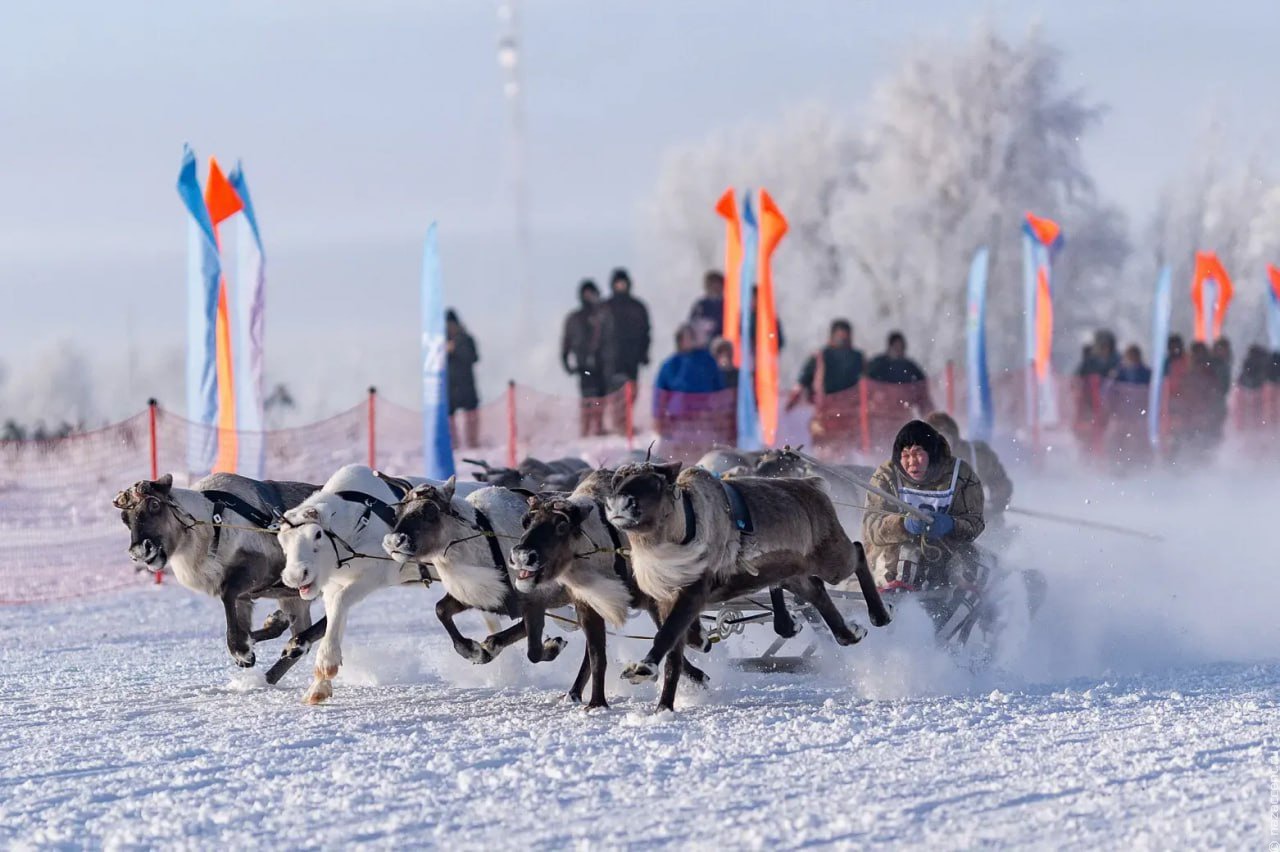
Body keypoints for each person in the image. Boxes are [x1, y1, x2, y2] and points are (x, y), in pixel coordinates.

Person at [862, 420, 985, 592]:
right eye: (905, 455)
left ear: (932, 453)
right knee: (909, 556)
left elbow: (975, 523)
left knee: (977, 564)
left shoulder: (961, 475)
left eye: (918, 453)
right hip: (894, 558)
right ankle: (895, 601)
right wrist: (903, 524)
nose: (912, 462)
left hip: (946, 552)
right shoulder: (886, 476)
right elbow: (870, 528)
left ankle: (968, 600)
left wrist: (950, 525)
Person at [923, 411, 1012, 517]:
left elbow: (999, 480)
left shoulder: (977, 455)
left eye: (943, 439)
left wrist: (998, 498)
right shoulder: (914, 461)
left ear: (954, 439)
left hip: (977, 521)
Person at [560, 279, 612, 437]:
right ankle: (585, 429)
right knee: (587, 397)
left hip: (602, 364)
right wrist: (566, 362)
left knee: (601, 396)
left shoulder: (603, 315)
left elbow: (611, 338)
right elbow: (566, 341)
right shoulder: (574, 318)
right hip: (583, 365)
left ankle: (598, 426)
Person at [603, 267, 652, 433]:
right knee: (615, 392)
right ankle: (619, 423)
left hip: (633, 357)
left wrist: (644, 353)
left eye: (623, 283)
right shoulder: (605, 307)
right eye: (618, 283)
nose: (621, 286)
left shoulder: (638, 307)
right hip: (611, 358)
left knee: (632, 392)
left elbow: (646, 332)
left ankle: (627, 423)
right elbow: (598, 334)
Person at [788, 319, 864, 410]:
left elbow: (867, 381)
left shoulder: (857, 357)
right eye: (839, 336)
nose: (842, 340)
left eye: (844, 337)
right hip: (825, 406)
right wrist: (795, 394)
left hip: (851, 407)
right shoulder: (821, 355)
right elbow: (804, 378)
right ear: (833, 335)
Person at [653, 325, 725, 397]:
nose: (690, 341)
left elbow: (717, 384)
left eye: (692, 337)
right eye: (686, 338)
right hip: (680, 406)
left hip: (704, 404)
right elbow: (662, 390)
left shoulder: (706, 360)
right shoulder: (671, 364)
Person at [445, 309, 480, 448]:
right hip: (450, 386)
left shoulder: (466, 339)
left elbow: (474, 357)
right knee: (450, 417)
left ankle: (473, 442)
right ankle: (453, 443)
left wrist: (456, 350)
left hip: (466, 385)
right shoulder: (441, 341)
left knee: (471, 414)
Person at [689, 271, 725, 347]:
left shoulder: (725, 305)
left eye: (716, 285)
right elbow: (693, 324)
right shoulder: (700, 305)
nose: (713, 288)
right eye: (710, 285)